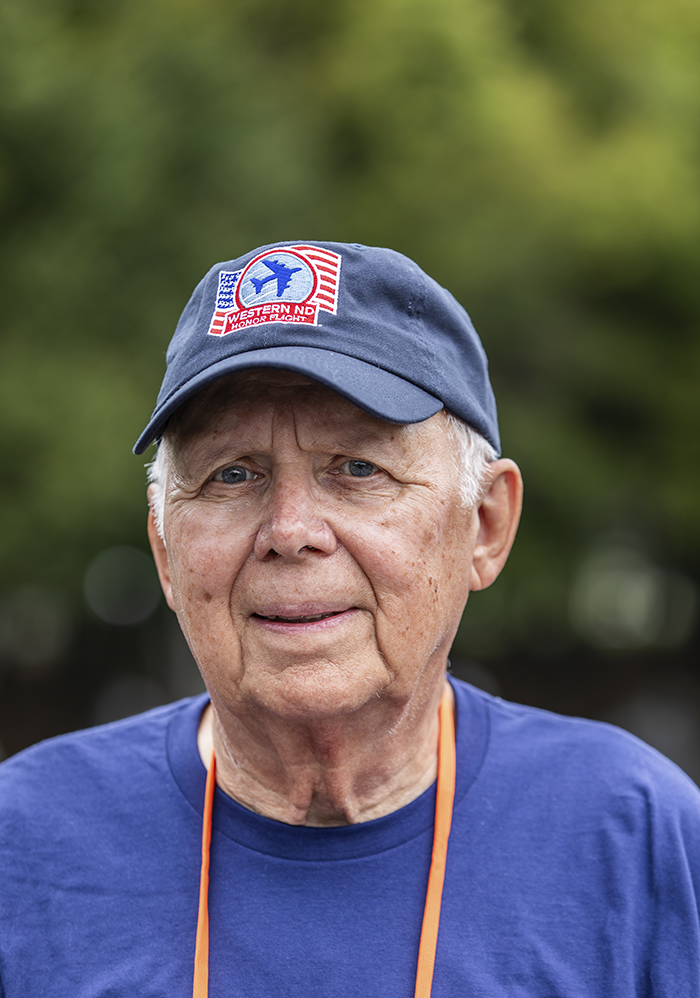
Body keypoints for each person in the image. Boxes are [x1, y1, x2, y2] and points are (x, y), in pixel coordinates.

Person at [0, 241, 699, 997]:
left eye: (358, 468)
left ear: (486, 525)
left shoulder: (638, 839)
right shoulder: (25, 845)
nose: (291, 530)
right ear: (166, 552)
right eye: (232, 474)